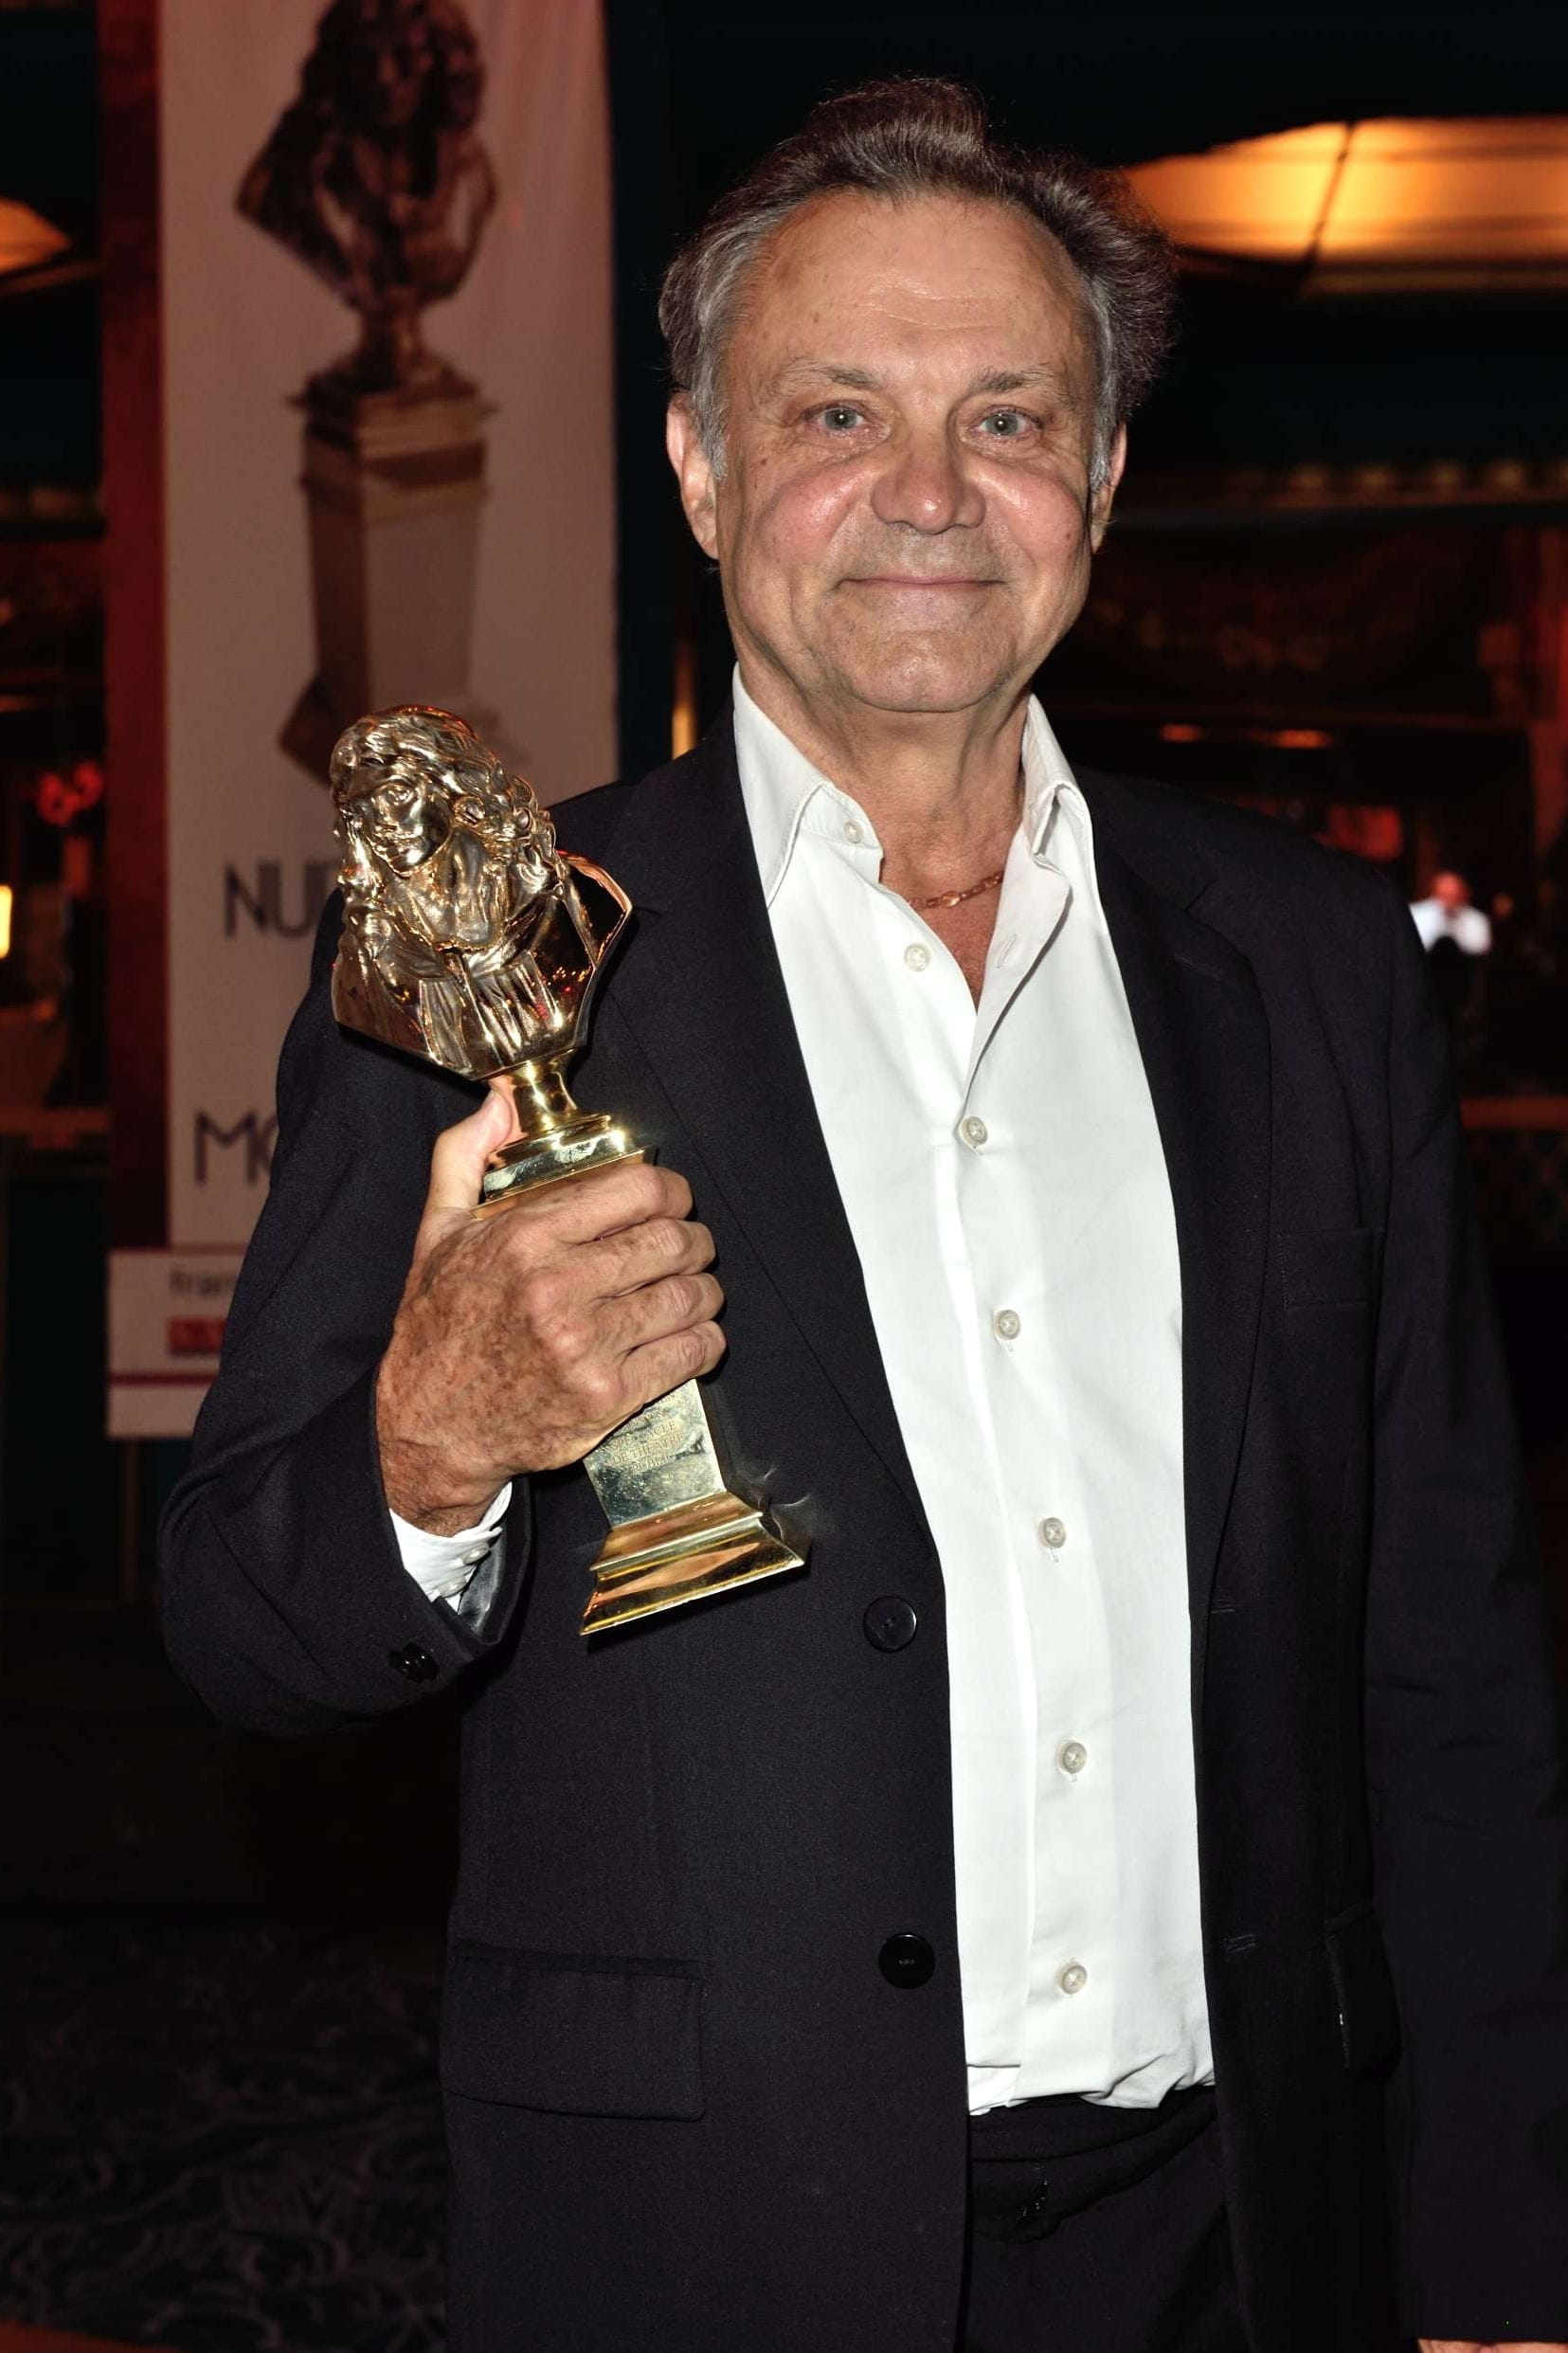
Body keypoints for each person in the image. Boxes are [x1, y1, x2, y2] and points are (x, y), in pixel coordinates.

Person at [161, 79, 1568, 2353]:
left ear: (1102, 483)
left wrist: (1512, 2261)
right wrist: (435, 1445)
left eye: (1009, 418)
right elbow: (244, 1626)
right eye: (838, 413)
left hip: (1255, 2229)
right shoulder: (489, 961)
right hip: (709, 2241)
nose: (930, 491)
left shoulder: (1309, 966)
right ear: (701, 472)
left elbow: (1452, 1665)